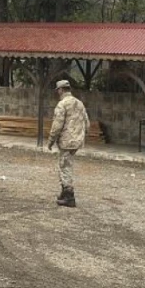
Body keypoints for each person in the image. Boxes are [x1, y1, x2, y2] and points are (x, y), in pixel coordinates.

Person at [48, 80, 88, 208]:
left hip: (66, 141)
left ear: (60, 90)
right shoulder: (80, 103)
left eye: (58, 90)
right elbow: (87, 123)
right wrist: (81, 136)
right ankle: (64, 193)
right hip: (77, 141)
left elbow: (57, 125)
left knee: (64, 167)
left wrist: (51, 141)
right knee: (66, 164)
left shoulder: (62, 104)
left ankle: (69, 196)